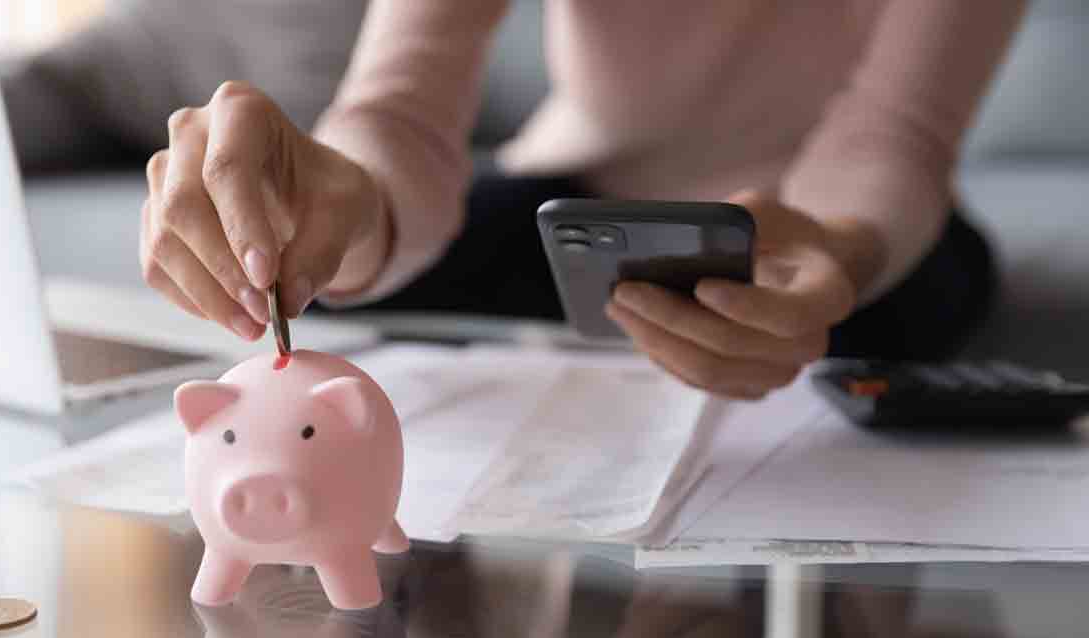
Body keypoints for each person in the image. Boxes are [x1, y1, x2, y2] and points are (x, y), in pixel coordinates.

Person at [138, 1, 1027, 400]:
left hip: (844, 223)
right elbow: (400, 113)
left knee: (903, 310)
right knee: (358, 287)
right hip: (583, 198)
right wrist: (337, 201)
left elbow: (895, 132)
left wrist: (839, 253)